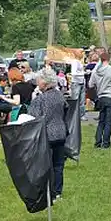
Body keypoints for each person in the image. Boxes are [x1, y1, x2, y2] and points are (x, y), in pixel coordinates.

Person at [29, 68, 69, 201]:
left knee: (47, 166)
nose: (37, 82)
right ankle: (58, 192)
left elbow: (33, 118)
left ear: (44, 82)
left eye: (39, 80)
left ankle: (48, 192)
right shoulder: (59, 96)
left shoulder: (40, 100)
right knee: (59, 165)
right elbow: (66, 109)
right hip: (61, 133)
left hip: (47, 135)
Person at [89, 52, 111, 148]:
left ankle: (98, 141)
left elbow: (91, 84)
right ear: (109, 60)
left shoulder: (96, 71)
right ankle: (106, 143)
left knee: (101, 121)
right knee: (109, 121)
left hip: (101, 97)